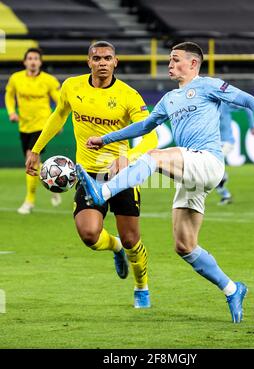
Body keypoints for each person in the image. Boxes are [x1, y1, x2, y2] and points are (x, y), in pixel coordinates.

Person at [75, 41, 254, 323]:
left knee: (154, 156)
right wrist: (106, 138)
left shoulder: (209, 85)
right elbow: (144, 126)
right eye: (169, 60)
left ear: (193, 64)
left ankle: (102, 192)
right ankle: (233, 288)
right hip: (191, 174)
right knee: (185, 246)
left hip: (207, 162)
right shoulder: (168, 99)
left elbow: (248, 100)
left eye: (175, 60)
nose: (170, 64)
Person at [26, 41, 158, 308]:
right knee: (89, 235)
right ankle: (115, 247)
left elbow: (151, 137)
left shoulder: (128, 95)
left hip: (121, 177)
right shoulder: (72, 87)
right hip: (87, 175)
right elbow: (58, 115)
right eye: (96, 58)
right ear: (89, 61)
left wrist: (127, 157)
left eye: (107, 58)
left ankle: (141, 287)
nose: (102, 63)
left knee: (133, 239)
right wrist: (37, 149)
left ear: (115, 62)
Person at [5, 47, 62, 214]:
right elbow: (9, 95)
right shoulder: (16, 79)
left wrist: (57, 124)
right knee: (33, 163)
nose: (33, 61)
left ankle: (29, 201)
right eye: (30, 58)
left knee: (31, 157)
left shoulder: (49, 80)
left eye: (36, 58)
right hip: (24, 126)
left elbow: (60, 104)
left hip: (42, 126)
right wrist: (11, 112)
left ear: (40, 62)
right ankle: (54, 184)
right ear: (25, 62)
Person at [216, 102, 254, 205]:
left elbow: (247, 106)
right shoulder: (204, 105)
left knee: (212, 166)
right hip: (214, 144)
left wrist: (252, 126)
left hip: (226, 142)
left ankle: (222, 176)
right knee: (210, 170)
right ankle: (225, 194)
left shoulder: (223, 104)